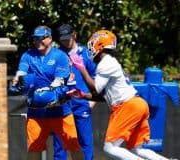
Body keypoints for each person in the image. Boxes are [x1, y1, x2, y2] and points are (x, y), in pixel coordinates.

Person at [69, 30, 170, 160]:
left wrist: (81, 68)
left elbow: (96, 90)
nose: (90, 49)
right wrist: (83, 95)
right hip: (137, 104)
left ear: (100, 45)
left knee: (110, 147)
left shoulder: (105, 62)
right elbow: (103, 96)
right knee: (137, 150)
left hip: (127, 106)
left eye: (92, 44)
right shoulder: (110, 61)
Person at [12, 25, 83, 160]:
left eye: (40, 38)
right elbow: (21, 73)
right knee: (34, 148)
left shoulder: (60, 56)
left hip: (60, 111)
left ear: (49, 38)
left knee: (73, 145)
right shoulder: (28, 55)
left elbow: (59, 80)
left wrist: (48, 92)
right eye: (35, 39)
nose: (37, 41)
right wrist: (18, 81)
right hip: (36, 111)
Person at [52, 24, 96, 160]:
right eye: (62, 39)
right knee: (60, 145)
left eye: (68, 38)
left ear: (74, 35)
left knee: (85, 143)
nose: (66, 41)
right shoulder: (56, 54)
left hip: (82, 103)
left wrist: (92, 101)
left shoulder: (86, 53)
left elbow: (96, 77)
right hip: (62, 105)